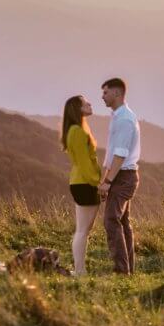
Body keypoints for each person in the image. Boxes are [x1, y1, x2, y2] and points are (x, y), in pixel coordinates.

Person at [98, 77, 141, 274]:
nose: (102, 96)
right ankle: (127, 269)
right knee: (122, 222)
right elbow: (111, 154)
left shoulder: (124, 119)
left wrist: (107, 181)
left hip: (123, 176)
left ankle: (122, 271)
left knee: (111, 220)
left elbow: (120, 154)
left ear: (116, 93)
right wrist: (104, 179)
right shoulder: (118, 116)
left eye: (105, 92)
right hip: (120, 175)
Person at [61, 95, 101, 276]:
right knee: (83, 231)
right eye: (86, 103)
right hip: (85, 182)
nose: (90, 104)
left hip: (81, 182)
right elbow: (85, 162)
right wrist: (98, 182)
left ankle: (79, 270)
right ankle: (80, 271)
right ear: (78, 109)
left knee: (82, 230)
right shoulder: (77, 131)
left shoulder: (75, 129)